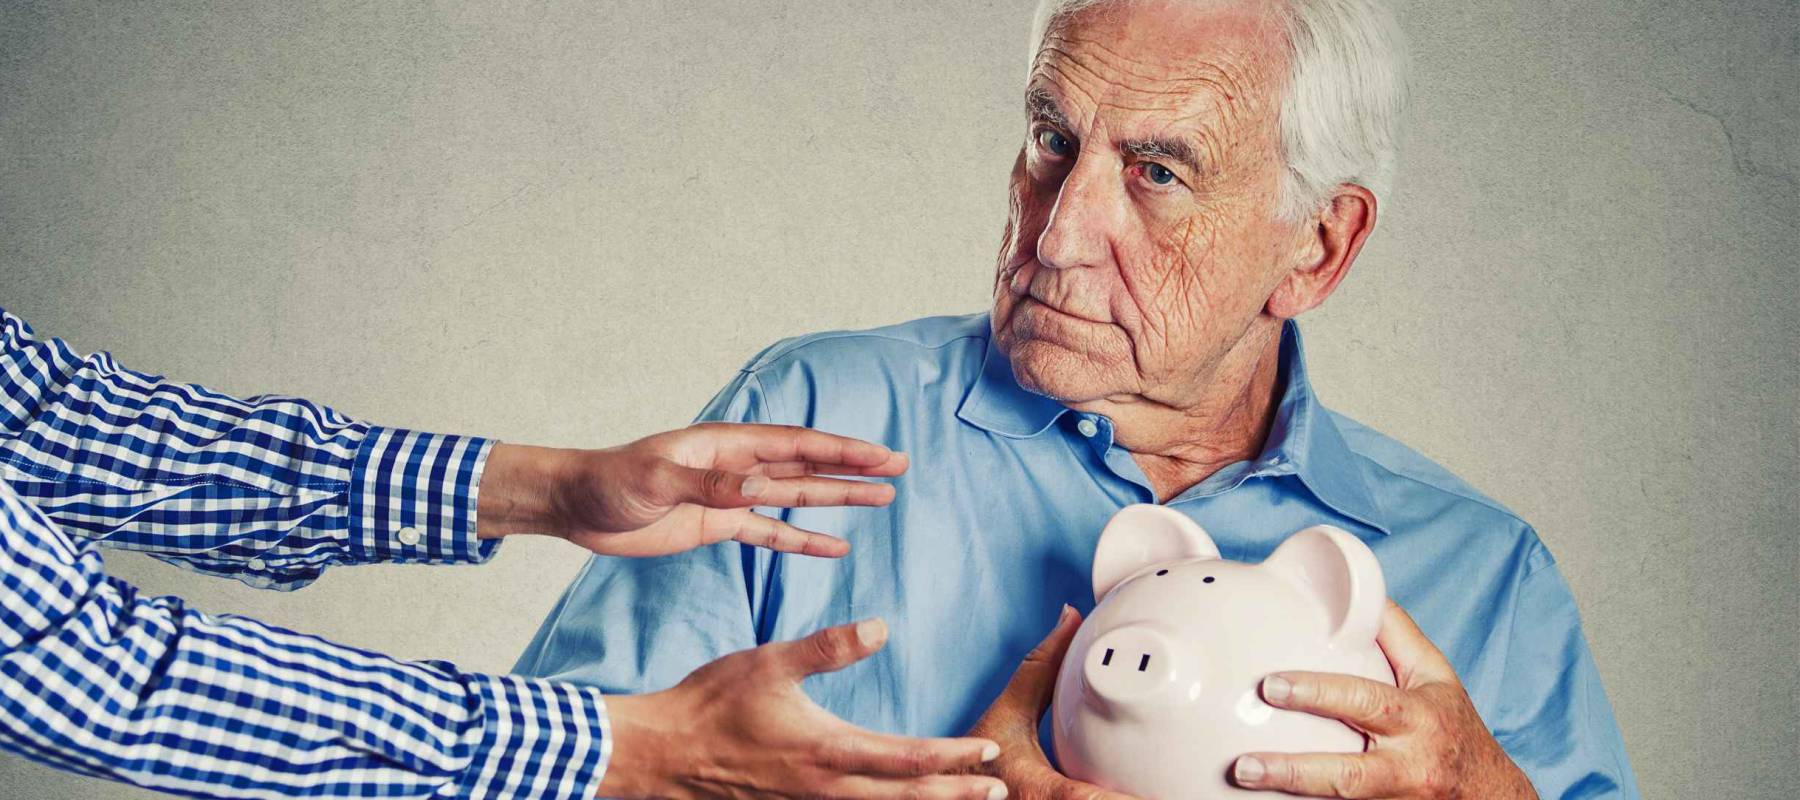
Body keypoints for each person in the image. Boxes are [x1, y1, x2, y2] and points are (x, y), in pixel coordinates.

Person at [512, 0, 1640, 798]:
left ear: (1317, 246)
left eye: (1157, 173)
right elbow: (542, 771)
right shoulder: (812, 421)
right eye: (1053, 140)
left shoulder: (1485, 576)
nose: (1056, 236)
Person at [0, 305, 1010, 800]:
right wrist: (629, 746)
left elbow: (49, 417)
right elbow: (75, 659)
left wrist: (549, 488)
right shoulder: (826, 385)